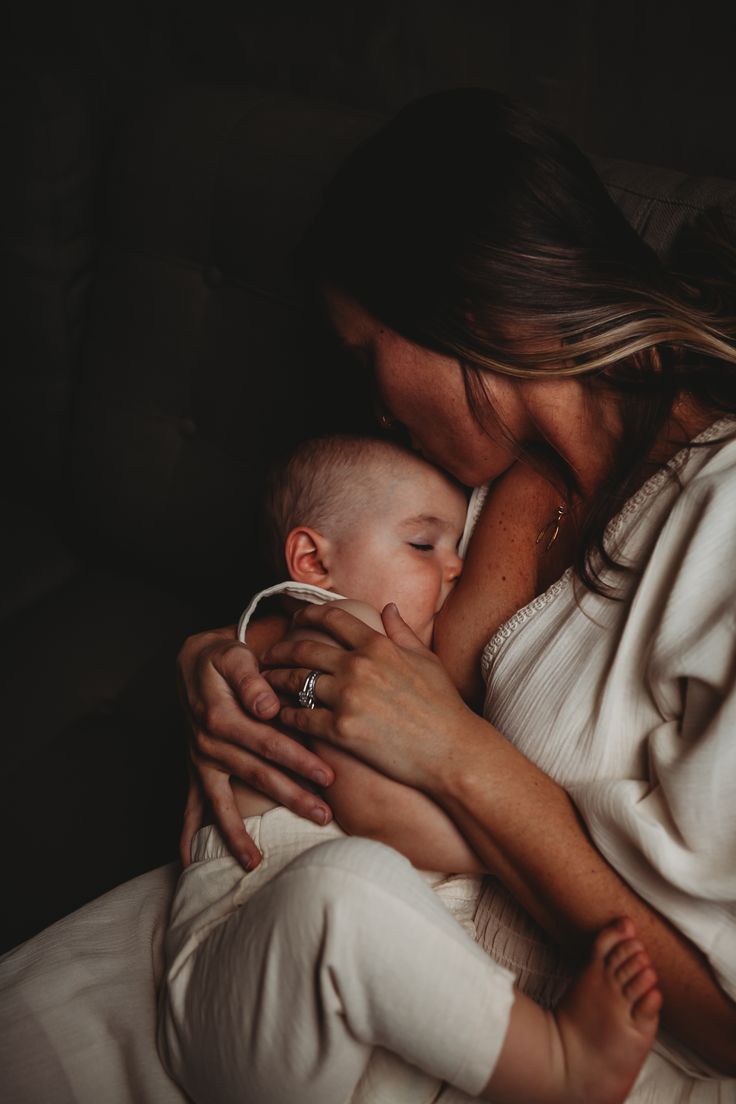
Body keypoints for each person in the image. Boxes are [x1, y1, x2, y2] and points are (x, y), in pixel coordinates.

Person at [177, 88, 736, 1101]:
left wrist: (459, 756)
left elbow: (728, 1020)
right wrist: (236, 674)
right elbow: (352, 658)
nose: (375, 411)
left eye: (366, 355)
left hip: (559, 1037)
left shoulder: (720, 528)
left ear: (459, 306)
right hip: (351, 946)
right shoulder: (476, 487)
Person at [160, 431, 661, 1104]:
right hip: (238, 974)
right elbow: (371, 804)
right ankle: (561, 1067)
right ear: (312, 560)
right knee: (347, 891)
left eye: (457, 546)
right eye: (423, 545)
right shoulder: (333, 634)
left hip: (318, 1034)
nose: (454, 569)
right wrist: (527, 847)